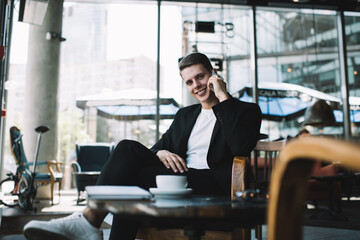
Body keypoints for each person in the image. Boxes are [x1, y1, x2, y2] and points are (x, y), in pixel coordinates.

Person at [23, 52, 262, 240]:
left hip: (214, 183)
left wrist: (223, 98)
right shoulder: (186, 115)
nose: (196, 85)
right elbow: (154, 149)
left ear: (213, 74)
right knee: (128, 149)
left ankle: (89, 222)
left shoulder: (244, 110)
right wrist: (162, 151)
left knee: (133, 176)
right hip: (180, 177)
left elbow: (240, 146)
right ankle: (89, 220)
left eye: (200, 77)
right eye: (189, 82)